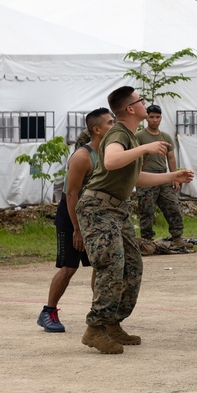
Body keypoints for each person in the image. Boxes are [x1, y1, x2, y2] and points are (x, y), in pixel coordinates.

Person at [77, 87, 194, 354]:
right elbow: (111, 160)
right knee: (112, 265)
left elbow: (135, 178)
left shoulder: (129, 136)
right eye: (141, 100)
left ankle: (112, 322)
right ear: (130, 109)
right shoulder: (119, 133)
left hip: (117, 210)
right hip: (98, 208)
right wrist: (146, 147)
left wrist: (172, 176)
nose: (145, 104)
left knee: (132, 265)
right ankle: (95, 328)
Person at [37, 108, 114, 333]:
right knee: (69, 267)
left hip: (95, 216)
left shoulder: (111, 152)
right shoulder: (82, 156)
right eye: (111, 123)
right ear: (97, 130)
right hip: (72, 216)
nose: (115, 126)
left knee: (99, 265)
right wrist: (77, 230)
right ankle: (48, 312)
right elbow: (71, 195)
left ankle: (100, 314)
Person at [135, 105, 189, 248]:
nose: (154, 120)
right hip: (146, 176)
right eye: (151, 117)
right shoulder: (139, 136)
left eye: (157, 117)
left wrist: (174, 177)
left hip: (164, 176)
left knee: (173, 206)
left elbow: (171, 158)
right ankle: (147, 241)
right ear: (146, 118)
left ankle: (177, 238)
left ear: (161, 118)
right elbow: (134, 157)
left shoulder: (166, 136)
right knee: (146, 210)